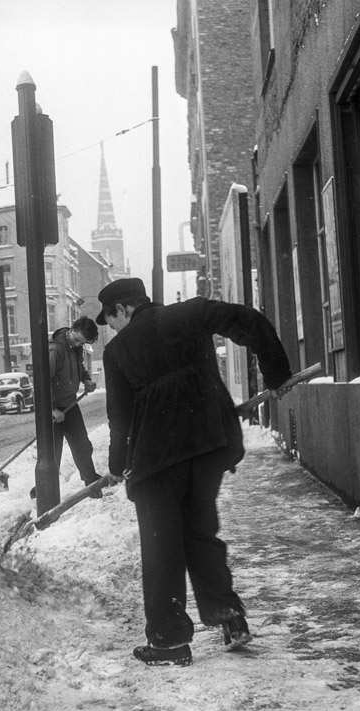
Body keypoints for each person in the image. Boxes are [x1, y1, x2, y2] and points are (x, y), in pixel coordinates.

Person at [97, 277, 292, 666]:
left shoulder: (118, 350)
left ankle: (168, 641)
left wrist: (118, 465)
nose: (114, 329)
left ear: (122, 309)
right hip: (208, 442)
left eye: (111, 319)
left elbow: (120, 418)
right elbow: (250, 321)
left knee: (162, 545)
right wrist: (277, 375)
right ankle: (229, 616)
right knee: (200, 532)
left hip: (156, 456)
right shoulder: (191, 313)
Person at [46, 315, 103, 497]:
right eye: (78, 339)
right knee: (52, 454)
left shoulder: (75, 347)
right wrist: (53, 408)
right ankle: (43, 491)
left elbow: (79, 367)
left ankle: (90, 483)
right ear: (72, 329)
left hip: (70, 405)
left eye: (82, 343)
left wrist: (86, 380)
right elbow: (43, 381)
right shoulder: (56, 349)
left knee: (82, 445)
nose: (79, 344)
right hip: (54, 410)